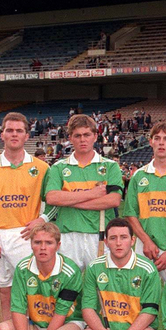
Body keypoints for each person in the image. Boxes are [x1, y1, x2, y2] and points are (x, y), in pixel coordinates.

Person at [0, 112, 55, 330]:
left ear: (27, 135)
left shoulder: (42, 168)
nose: (14, 134)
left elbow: (54, 201)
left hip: (26, 235)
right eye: (9, 130)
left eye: (19, 131)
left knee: (32, 290)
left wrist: (42, 219)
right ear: (2, 134)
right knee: (1, 291)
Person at [69, 218, 163, 330]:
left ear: (132, 240)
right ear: (106, 242)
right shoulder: (94, 267)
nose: (118, 243)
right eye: (113, 238)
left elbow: (150, 311)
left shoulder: (147, 269)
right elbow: (88, 308)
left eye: (123, 237)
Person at [44, 114, 124, 271]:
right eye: (77, 136)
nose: (82, 139)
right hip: (68, 236)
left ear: (95, 136)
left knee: (101, 283)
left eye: (87, 135)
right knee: (68, 284)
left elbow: (113, 200)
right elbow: (52, 198)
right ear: (70, 138)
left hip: (99, 235)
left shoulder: (110, 166)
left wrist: (69, 200)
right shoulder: (59, 167)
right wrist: (91, 194)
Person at [123, 122, 166, 283]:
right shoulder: (139, 176)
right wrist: (146, 241)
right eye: (157, 138)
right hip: (145, 248)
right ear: (150, 142)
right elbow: (130, 213)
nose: (161, 143)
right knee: (140, 294)